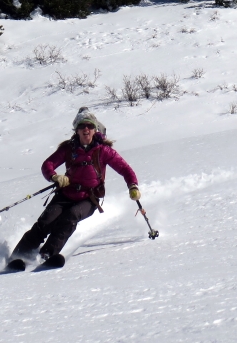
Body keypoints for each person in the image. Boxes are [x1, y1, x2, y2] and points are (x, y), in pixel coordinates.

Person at [8, 108, 140, 268]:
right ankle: (18, 256)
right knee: (45, 222)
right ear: (76, 130)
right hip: (65, 194)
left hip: (88, 199)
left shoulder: (104, 151)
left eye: (90, 126)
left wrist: (132, 186)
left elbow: (125, 169)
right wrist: (55, 177)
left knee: (70, 217)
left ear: (95, 129)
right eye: (82, 126)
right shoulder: (68, 149)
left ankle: (47, 254)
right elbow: (47, 165)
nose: (86, 129)